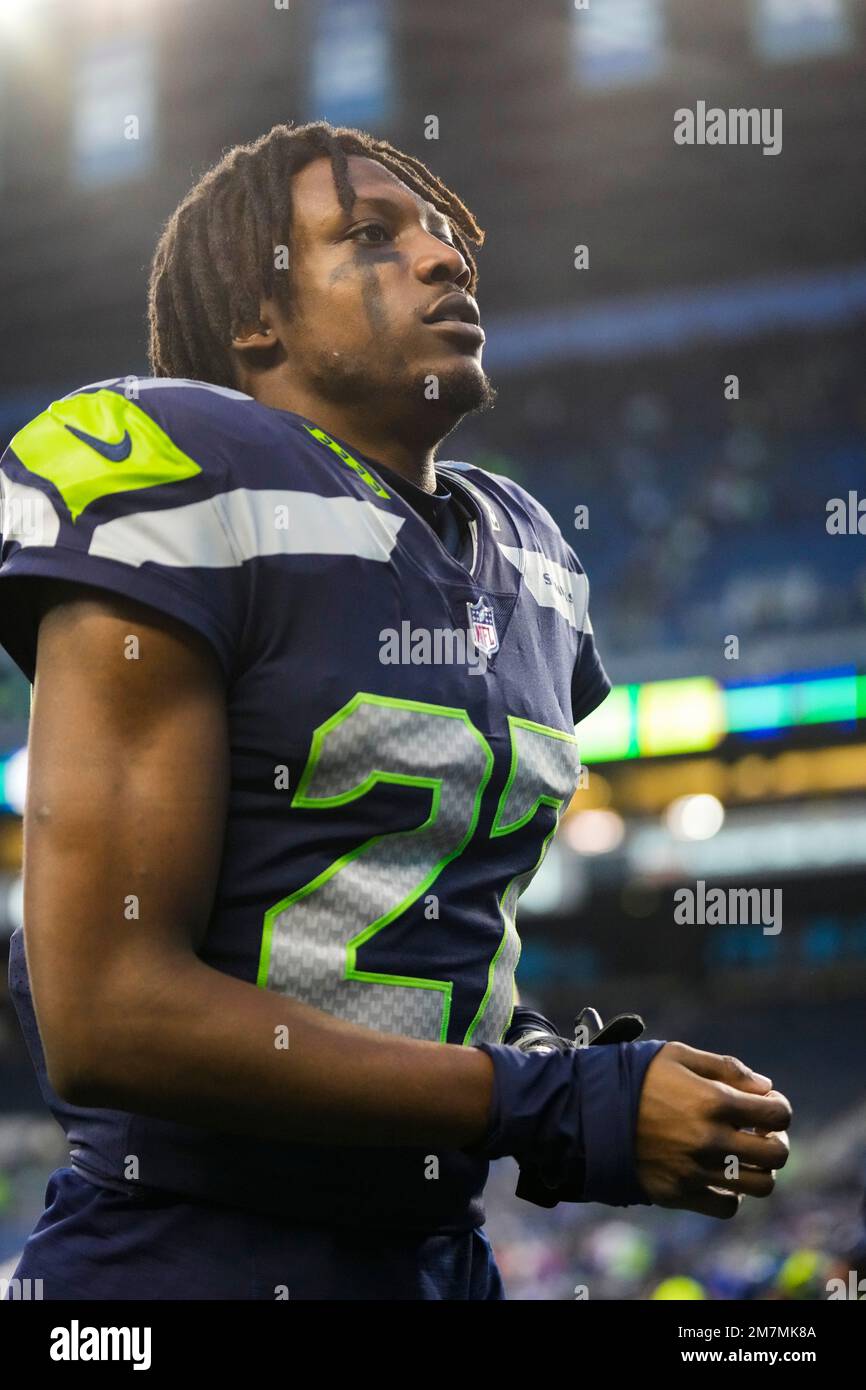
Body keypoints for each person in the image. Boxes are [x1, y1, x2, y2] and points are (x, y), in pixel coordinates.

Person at [0, 121, 790, 1300]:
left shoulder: (526, 557)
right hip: (177, 1261)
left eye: (440, 235)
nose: (443, 258)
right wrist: (547, 1105)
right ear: (253, 319)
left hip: (434, 1259)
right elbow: (108, 1011)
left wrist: (578, 1075)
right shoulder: (178, 477)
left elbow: (404, 963)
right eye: (370, 237)